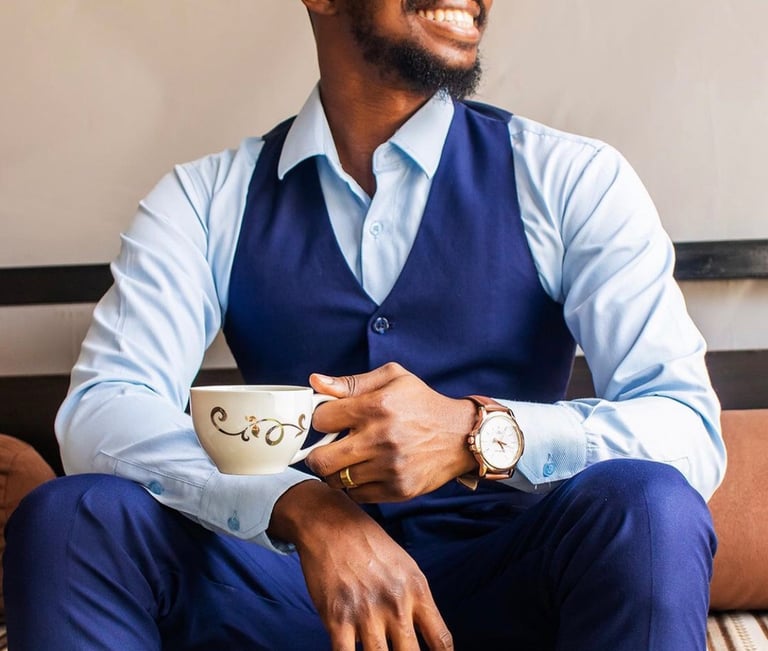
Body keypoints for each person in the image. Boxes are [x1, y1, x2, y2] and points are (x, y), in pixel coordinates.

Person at [4, 1, 725, 649]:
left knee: (652, 509)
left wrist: (479, 436)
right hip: (291, 595)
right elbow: (101, 410)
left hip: (517, 584)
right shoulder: (204, 199)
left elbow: (688, 427)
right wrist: (297, 506)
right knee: (71, 519)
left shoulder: (572, 179)